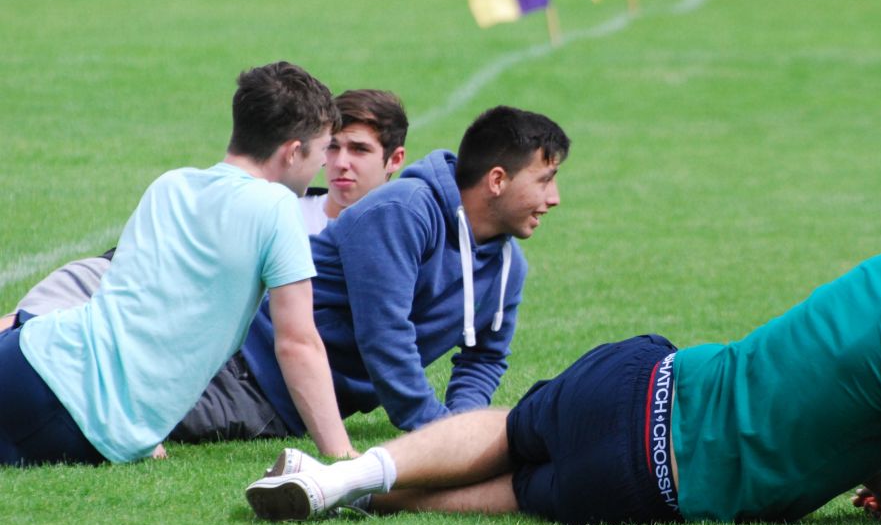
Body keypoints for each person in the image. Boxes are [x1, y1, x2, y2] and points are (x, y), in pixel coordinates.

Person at [242, 170, 881, 525]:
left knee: (513, 424)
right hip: (656, 478)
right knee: (513, 490)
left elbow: (847, 375)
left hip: (644, 376)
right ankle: (362, 501)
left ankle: (338, 475)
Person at [0, 61, 353, 466]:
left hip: (25, 356)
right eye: (325, 149)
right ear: (293, 152)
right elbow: (296, 342)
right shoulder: (276, 207)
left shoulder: (171, 184)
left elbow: (131, 305)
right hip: (69, 412)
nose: (326, 163)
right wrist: (341, 456)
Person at [170, 105, 569, 445]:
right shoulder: (404, 211)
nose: (554, 199)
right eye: (545, 181)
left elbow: (484, 357)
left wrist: (459, 428)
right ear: (497, 180)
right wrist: (434, 431)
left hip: (292, 407)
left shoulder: (508, 266)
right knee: (123, 423)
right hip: (240, 372)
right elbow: (384, 335)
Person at [0, 88, 407, 333]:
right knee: (29, 315)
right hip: (130, 277)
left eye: (359, 150)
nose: (339, 163)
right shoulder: (280, 201)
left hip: (166, 317)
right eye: (331, 148)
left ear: (395, 159)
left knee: (37, 335)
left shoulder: (385, 249)